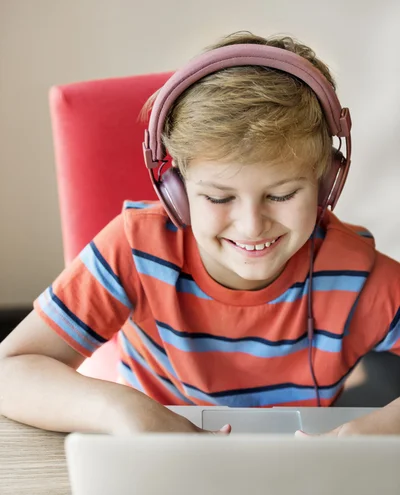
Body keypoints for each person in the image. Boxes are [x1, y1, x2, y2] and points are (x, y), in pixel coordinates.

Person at [0, 32, 399, 437]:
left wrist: (370, 432)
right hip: (160, 466)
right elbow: (9, 371)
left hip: (300, 478)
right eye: (218, 197)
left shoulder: (356, 273)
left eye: (281, 194)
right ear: (177, 191)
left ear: (326, 182)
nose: (251, 225)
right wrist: (124, 409)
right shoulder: (136, 250)